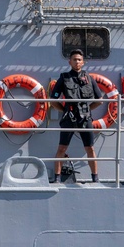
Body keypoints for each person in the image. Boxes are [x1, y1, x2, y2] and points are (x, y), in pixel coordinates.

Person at [50, 49, 102, 183]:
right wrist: (64, 110)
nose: (77, 61)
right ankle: (57, 178)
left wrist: (88, 109)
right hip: (69, 117)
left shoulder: (89, 79)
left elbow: (100, 99)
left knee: (90, 148)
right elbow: (53, 99)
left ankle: (95, 178)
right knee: (62, 148)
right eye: (74, 59)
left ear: (83, 62)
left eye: (79, 59)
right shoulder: (64, 78)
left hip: (85, 118)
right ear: (70, 62)